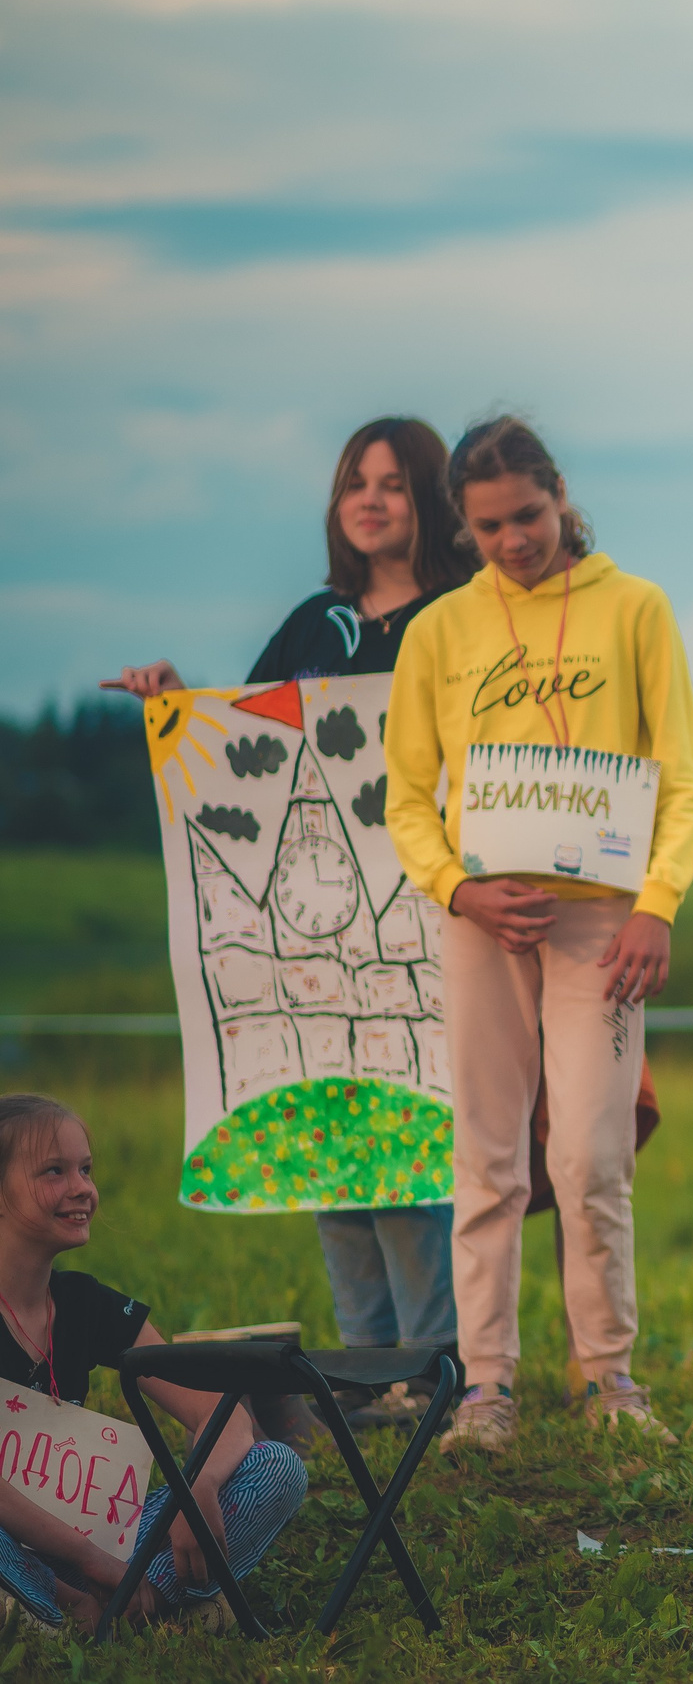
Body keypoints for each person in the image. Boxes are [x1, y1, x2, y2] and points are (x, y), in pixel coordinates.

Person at [102, 419, 475, 1416]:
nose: (370, 500)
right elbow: (246, 738)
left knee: (414, 1151)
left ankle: (432, 1370)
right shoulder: (317, 622)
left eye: (394, 484)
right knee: (331, 1149)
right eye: (356, 482)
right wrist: (181, 705)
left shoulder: (463, 615)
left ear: (430, 499)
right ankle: (363, 1372)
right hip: (312, 933)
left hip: (419, 913)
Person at [384, 415, 693, 1453]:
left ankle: (608, 1376)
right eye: (489, 526)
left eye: (528, 514)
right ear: (463, 526)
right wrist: (455, 890)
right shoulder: (441, 631)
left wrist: (656, 903)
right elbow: (404, 797)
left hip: (601, 925)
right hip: (484, 922)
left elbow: (683, 778)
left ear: (560, 495)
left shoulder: (636, 610)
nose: (514, 540)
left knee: (592, 1153)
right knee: (486, 1160)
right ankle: (486, 1388)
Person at [0, 1094, 308, 1637]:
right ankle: (70, 1608)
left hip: (97, 1542)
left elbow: (221, 1414)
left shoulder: (85, 1303)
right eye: (55, 1171)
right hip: (18, 1546)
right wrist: (96, 1570)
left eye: (86, 1169)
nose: (83, 1189)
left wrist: (199, 1488)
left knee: (276, 1468)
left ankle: (130, 1608)